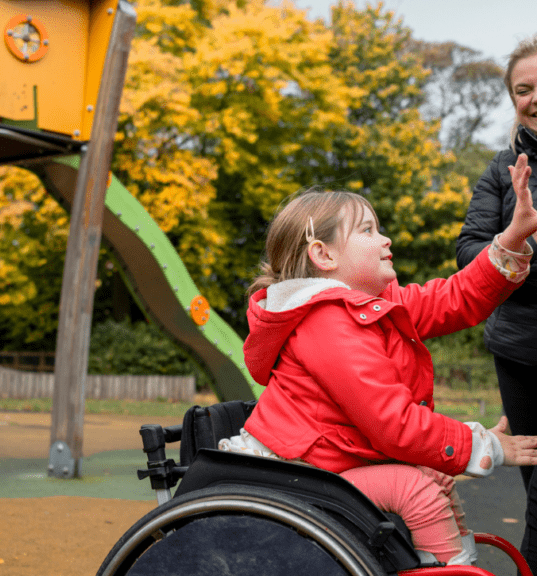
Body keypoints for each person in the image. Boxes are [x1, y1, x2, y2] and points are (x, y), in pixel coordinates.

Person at [218, 155, 537, 567]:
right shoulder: (325, 322)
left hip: (333, 466)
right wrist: (486, 444)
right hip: (301, 477)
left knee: (434, 476)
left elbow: (453, 299)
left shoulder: (377, 306)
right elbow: (395, 425)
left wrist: (511, 238)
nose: (385, 239)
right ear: (323, 256)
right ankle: (450, 569)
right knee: (414, 487)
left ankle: (451, 564)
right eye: (368, 231)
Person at [457, 35, 537, 572]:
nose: (533, 97)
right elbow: (470, 253)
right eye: (523, 89)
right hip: (521, 353)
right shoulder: (501, 170)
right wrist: (517, 243)